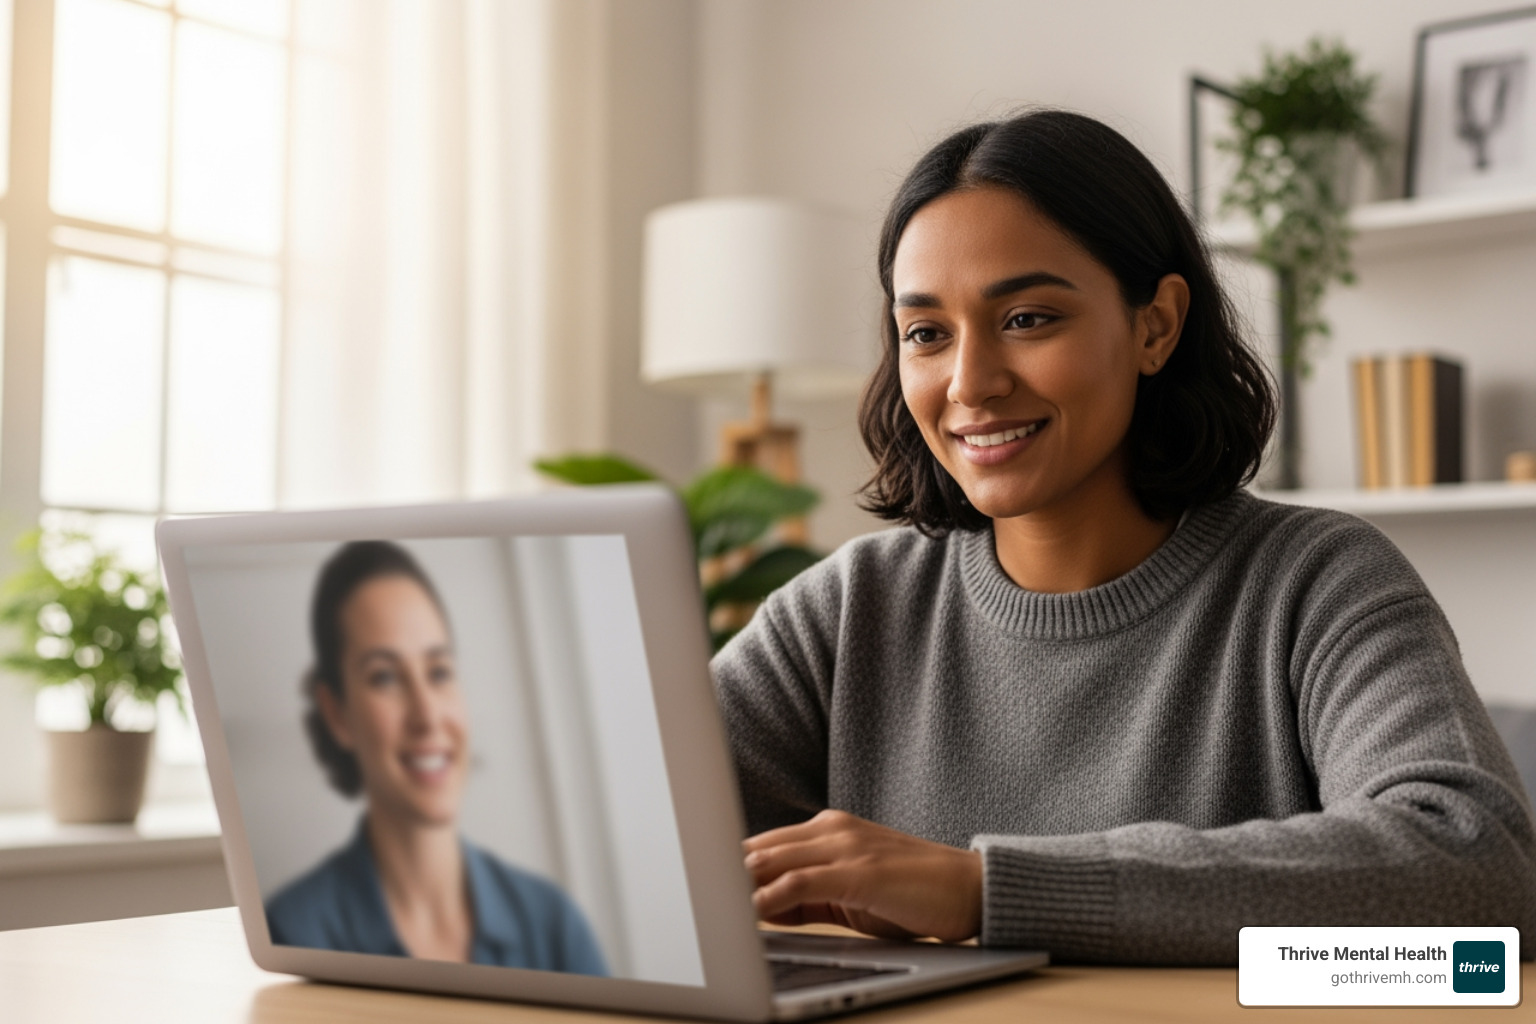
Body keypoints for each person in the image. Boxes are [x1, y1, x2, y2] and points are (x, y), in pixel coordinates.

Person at [711, 109, 1536, 964]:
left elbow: (1478, 861)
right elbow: (620, 831)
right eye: (926, 333)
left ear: (1155, 326)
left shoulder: (1317, 580)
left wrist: (985, 890)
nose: (970, 382)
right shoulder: (850, 608)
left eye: (1028, 318)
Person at [264, 541, 608, 974]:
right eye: (384, 677)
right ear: (337, 714)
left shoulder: (553, 923)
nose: (427, 716)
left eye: (439, 672)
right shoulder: (295, 934)